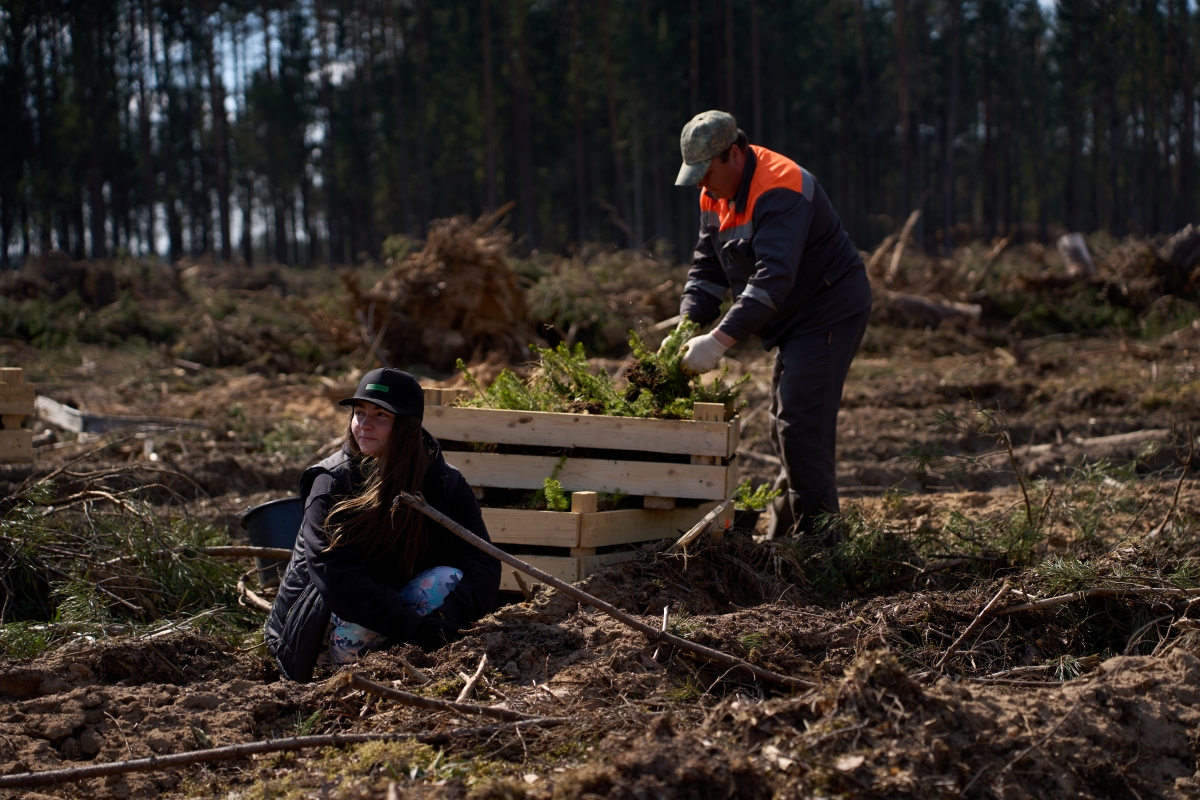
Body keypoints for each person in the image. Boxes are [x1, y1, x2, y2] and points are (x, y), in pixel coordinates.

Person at [672, 110, 872, 542]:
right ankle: (784, 537)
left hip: (827, 307)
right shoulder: (713, 195)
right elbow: (708, 269)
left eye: (707, 173)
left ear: (734, 154)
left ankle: (822, 546)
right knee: (784, 423)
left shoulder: (780, 187)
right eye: (697, 176)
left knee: (801, 421)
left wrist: (717, 343)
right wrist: (685, 327)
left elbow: (772, 280)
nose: (703, 184)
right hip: (792, 314)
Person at [265, 368, 501, 682]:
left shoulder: (444, 481)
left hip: (396, 609)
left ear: (407, 426)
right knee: (357, 628)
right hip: (320, 630)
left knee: (449, 578)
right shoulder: (331, 482)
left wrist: (446, 619)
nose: (365, 424)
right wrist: (415, 628)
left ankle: (409, 657)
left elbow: (483, 561)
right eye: (359, 412)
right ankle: (380, 663)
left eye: (381, 415)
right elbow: (339, 580)